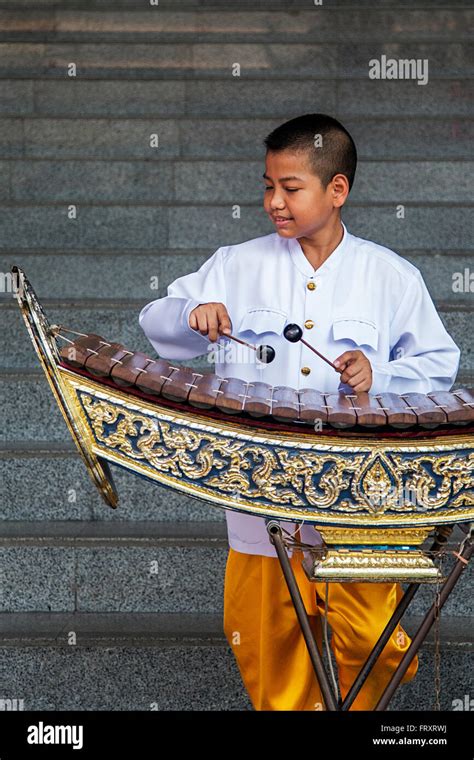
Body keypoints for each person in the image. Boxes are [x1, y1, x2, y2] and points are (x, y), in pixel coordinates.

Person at [138, 114, 460, 710]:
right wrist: (191, 315)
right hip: (260, 496)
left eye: (291, 187)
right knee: (272, 649)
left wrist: (378, 373)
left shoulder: (391, 276)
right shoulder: (235, 264)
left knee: (372, 638)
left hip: (361, 502)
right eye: (267, 186)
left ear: (337, 190)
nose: (274, 203)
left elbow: (439, 368)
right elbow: (157, 323)